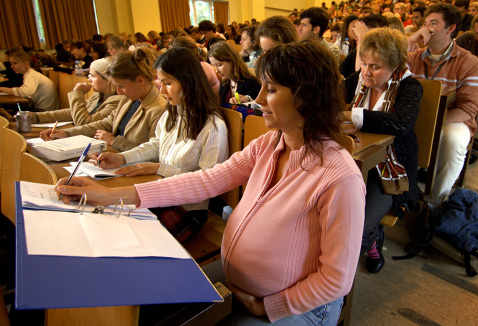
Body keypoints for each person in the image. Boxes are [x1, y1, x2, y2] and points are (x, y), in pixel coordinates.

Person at [56, 41, 365, 326]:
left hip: (299, 307)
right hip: (240, 285)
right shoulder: (272, 143)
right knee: (150, 301)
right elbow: (208, 180)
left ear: (305, 97)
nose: (258, 100)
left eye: (270, 90)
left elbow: (335, 280)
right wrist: (110, 196)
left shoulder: (340, 177)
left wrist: (271, 306)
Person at [92, 47, 228, 241]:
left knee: (131, 236)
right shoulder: (173, 113)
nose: (161, 90)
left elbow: (209, 182)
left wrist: (159, 168)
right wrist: (122, 157)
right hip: (163, 192)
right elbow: (156, 144)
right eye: (161, 82)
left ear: (188, 82)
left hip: (188, 208)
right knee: (110, 218)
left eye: (168, 83)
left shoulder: (213, 126)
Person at [343, 28, 423, 273]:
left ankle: (372, 242)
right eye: (364, 63)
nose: (366, 71)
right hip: (357, 161)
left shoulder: (410, 87)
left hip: (391, 169)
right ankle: (372, 238)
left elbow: (400, 123)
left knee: (357, 227)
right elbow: (332, 94)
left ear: (394, 65)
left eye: (375, 66)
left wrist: (353, 115)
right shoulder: (361, 78)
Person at [407, 4, 478, 206]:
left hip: (452, 117)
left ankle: (435, 200)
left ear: (450, 29)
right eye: (425, 24)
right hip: (415, 115)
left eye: (434, 23)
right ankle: (402, 192)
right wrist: (410, 41)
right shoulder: (413, 57)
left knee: (452, 139)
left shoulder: (469, 61)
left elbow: (471, 107)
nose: (427, 28)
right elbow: (390, 80)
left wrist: (434, 123)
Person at [41, 47, 166, 152]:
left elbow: (154, 152)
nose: (118, 91)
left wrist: (114, 141)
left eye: (121, 86)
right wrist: (67, 133)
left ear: (140, 80)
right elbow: (106, 123)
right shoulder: (129, 99)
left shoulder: (158, 109)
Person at [31, 58, 123, 125]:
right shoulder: (98, 95)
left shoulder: (116, 101)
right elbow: (74, 112)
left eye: (92, 76)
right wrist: (37, 117)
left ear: (107, 80)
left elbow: (84, 123)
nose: (89, 79)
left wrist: (77, 93)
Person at [209, 41, 261, 107]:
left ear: (232, 61)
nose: (216, 71)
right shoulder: (224, 84)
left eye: (219, 65)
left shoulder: (250, 82)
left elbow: (259, 105)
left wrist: (248, 99)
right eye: (213, 65)